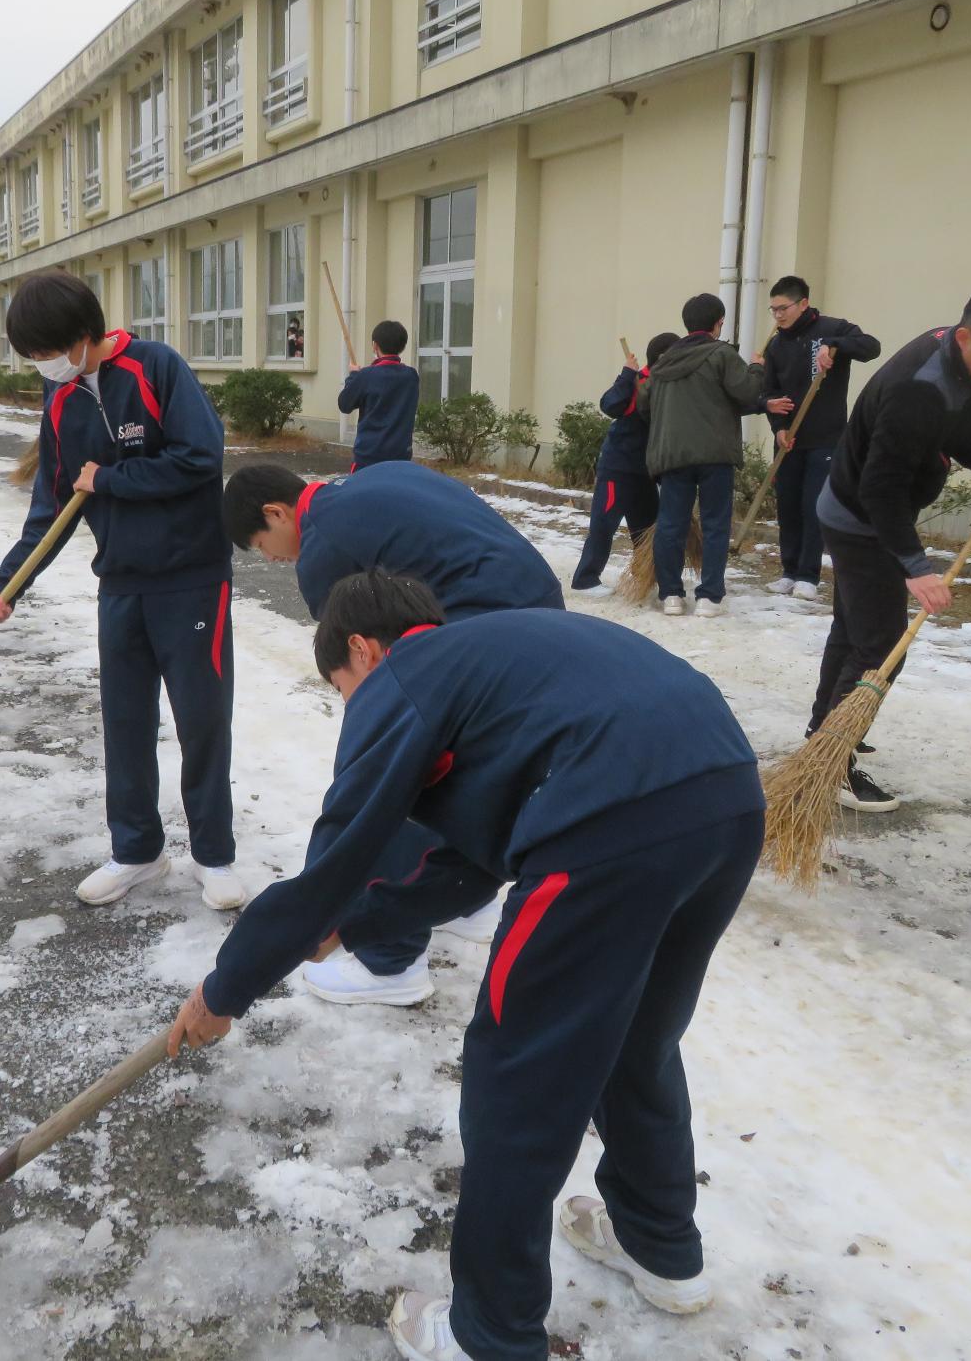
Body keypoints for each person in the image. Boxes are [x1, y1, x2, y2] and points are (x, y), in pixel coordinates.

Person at [167, 572, 764, 1361]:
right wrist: (358, 923)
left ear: (362, 650)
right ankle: (660, 1246)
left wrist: (225, 989)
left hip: (604, 832)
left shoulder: (404, 678)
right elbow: (472, 862)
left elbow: (334, 860)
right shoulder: (496, 663)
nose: (352, 709)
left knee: (518, 1078)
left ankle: (491, 1335)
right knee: (637, 1039)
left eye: (342, 690)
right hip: (726, 802)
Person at [224, 460, 564, 1005]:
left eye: (261, 545)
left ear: (277, 512)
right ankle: (469, 902)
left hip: (480, 618)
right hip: (538, 605)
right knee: (477, 761)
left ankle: (390, 962)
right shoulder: (374, 480)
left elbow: (363, 669)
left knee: (409, 770)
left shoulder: (322, 548)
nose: (271, 560)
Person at [0, 269, 244, 913]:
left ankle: (214, 855)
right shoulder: (60, 399)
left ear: (82, 334)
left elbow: (201, 456)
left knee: (202, 721)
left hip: (191, 578)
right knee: (125, 724)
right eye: (33, 355)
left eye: (47, 351)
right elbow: (51, 507)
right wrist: (6, 586)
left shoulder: (155, 367)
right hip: (120, 584)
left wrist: (111, 480)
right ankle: (137, 850)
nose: (43, 364)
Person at [809, 279, 971, 813]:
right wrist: (915, 566)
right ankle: (830, 764)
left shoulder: (958, 363)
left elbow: (960, 430)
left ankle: (826, 738)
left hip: (862, 510)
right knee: (880, 647)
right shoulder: (919, 388)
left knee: (854, 634)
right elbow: (880, 489)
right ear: (966, 337)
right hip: (860, 519)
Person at [642, 292, 792, 617]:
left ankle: (671, 595)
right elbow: (747, 393)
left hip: (672, 456)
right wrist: (757, 369)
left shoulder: (664, 362)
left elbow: (644, 404)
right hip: (715, 455)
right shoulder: (721, 354)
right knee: (715, 525)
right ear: (718, 323)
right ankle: (709, 598)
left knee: (670, 525)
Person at [756, 277, 882, 599]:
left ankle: (807, 576)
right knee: (788, 505)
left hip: (826, 437)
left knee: (813, 505)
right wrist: (778, 426)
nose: (778, 315)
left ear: (803, 304)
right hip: (789, 439)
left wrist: (833, 345)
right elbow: (770, 391)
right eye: (773, 310)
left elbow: (871, 346)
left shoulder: (833, 328)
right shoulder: (777, 345)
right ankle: (789, 571)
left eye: (783, 308)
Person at [569, 333, 674, 594]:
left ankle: (643, 577)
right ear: (663, 358)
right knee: (604, 524)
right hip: (618, 469)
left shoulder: (669, 386)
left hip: (646, 472)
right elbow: (609, 404)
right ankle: (585, 579)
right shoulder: (636, 382)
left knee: (646, 530)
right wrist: (627, 374)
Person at [336, 319, 420, 470]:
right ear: (403, 346)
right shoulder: (411, 376)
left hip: (370, 458)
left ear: (375, 345)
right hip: (401, 457)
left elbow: (345, 404)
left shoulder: (366, 376)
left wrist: (354, 376)